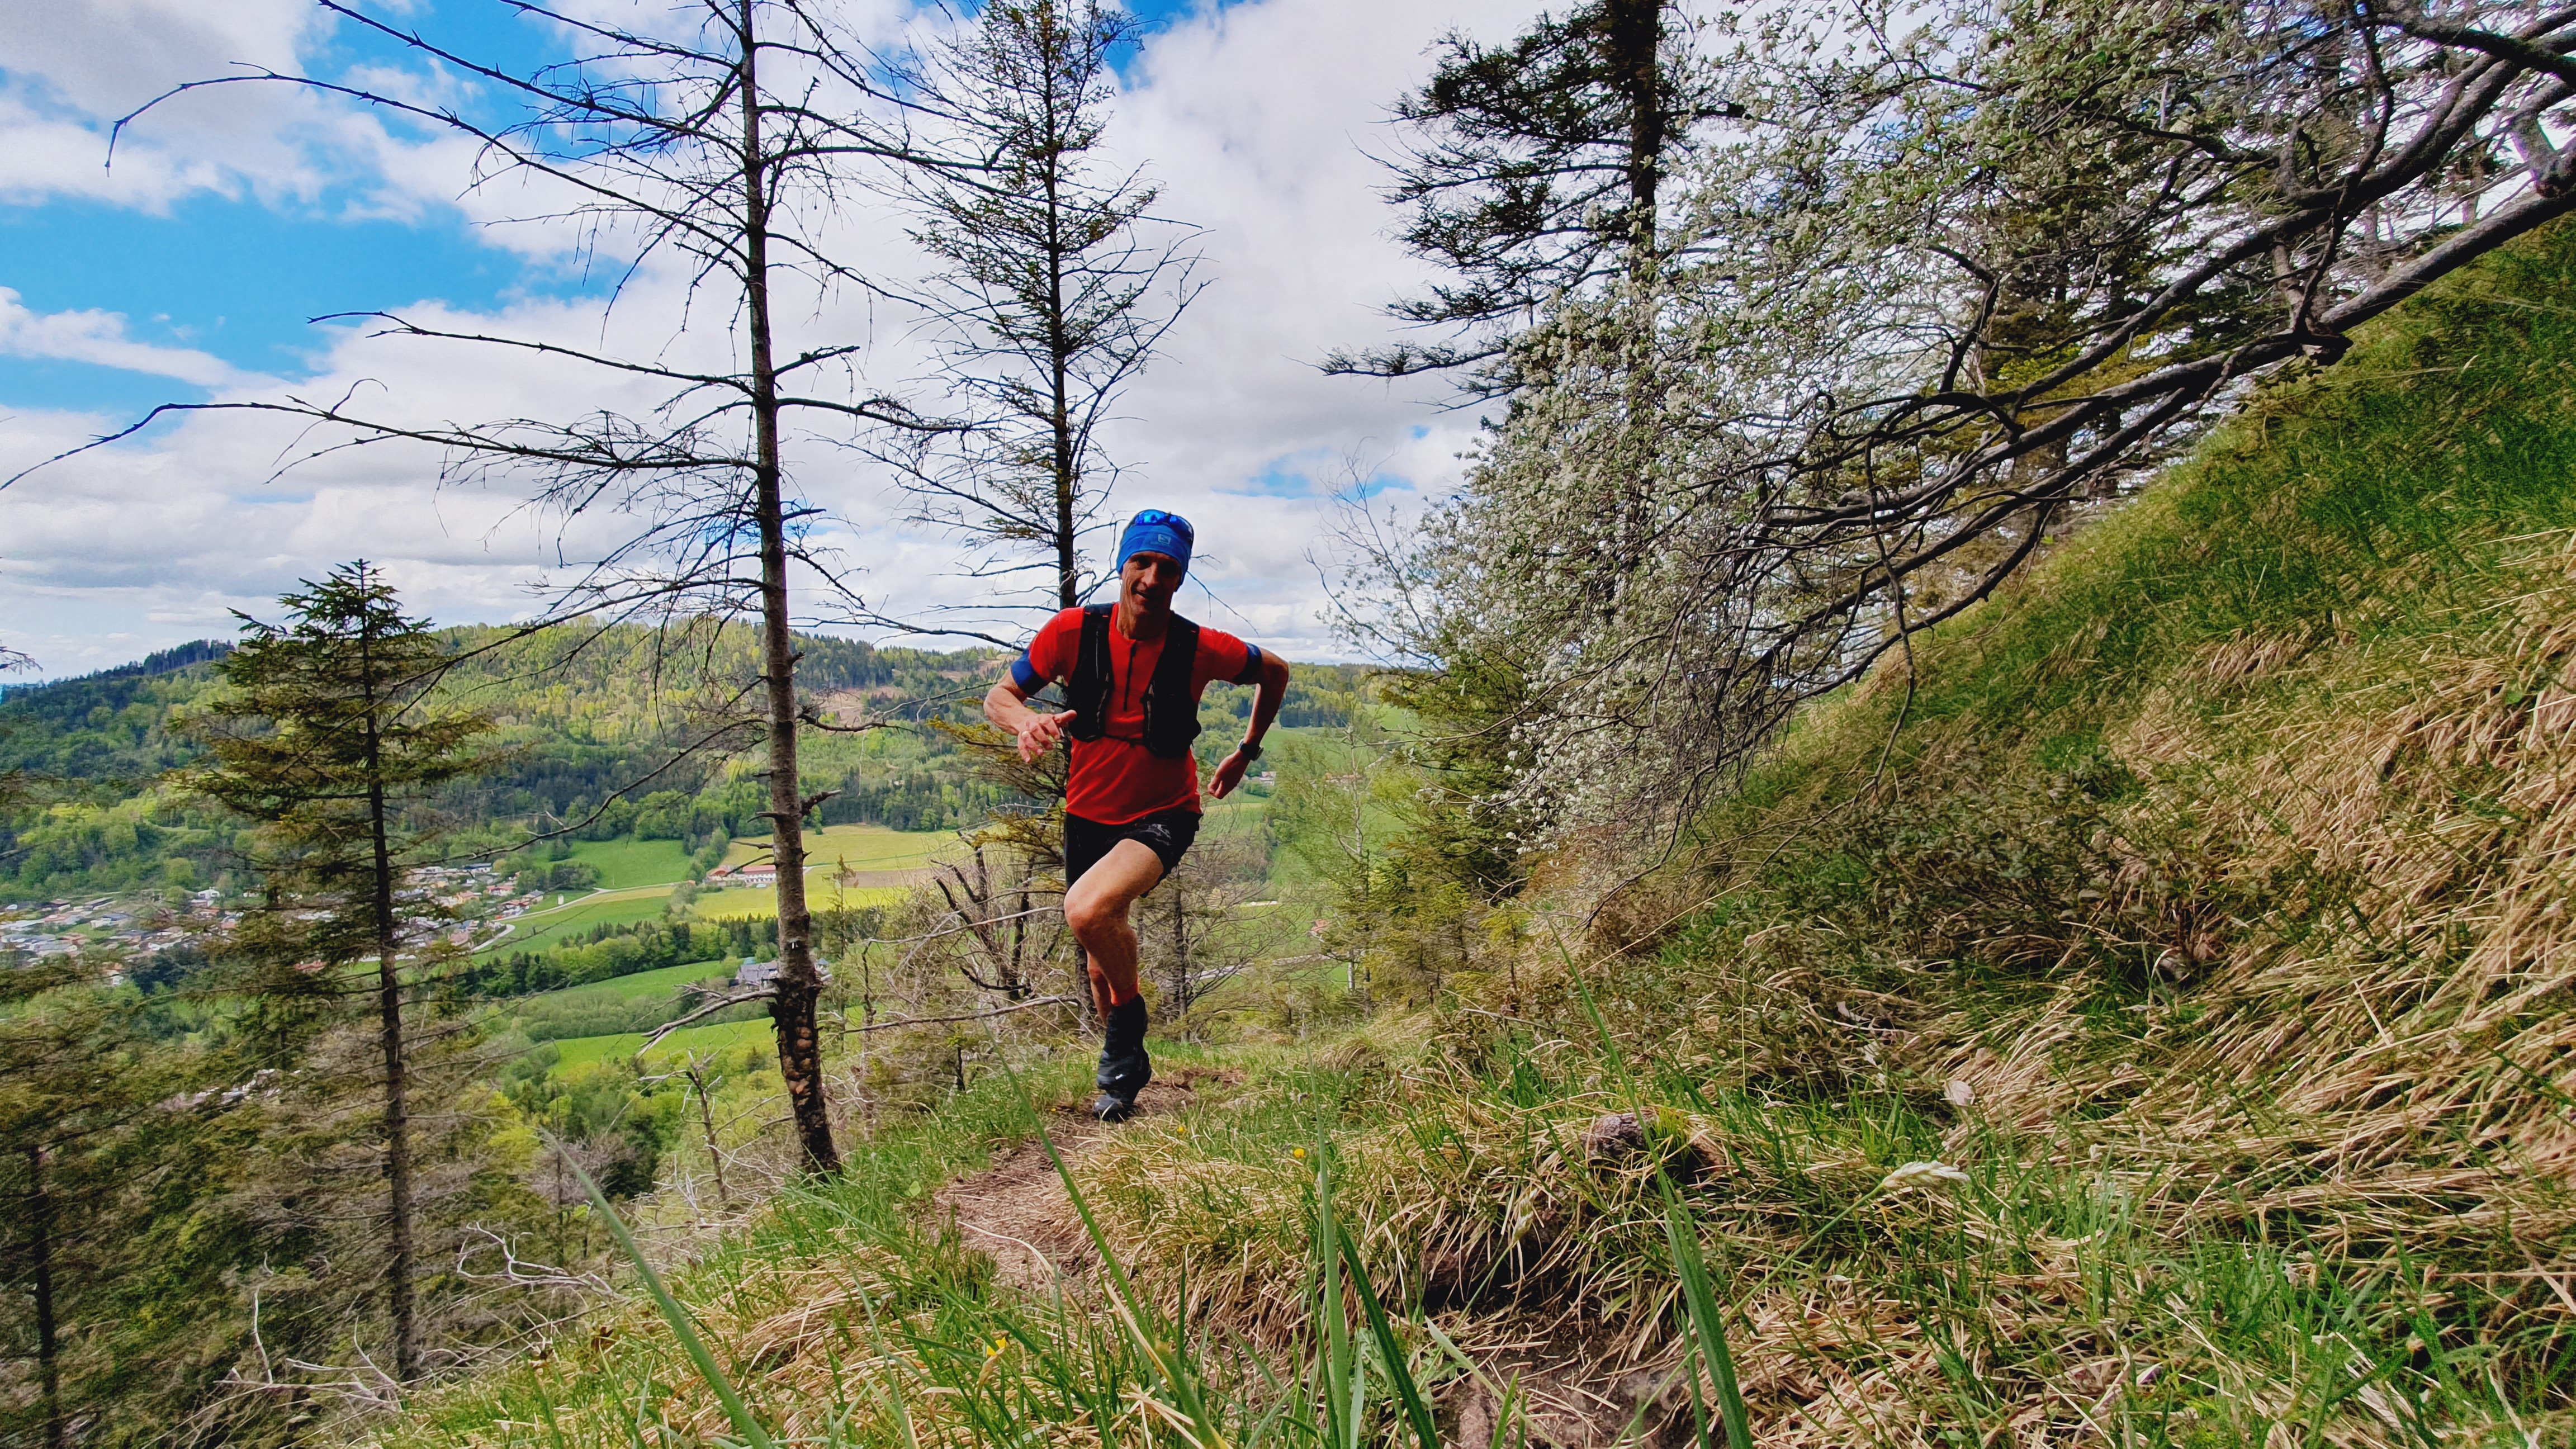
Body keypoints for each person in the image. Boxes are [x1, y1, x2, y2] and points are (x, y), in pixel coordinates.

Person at [984, 509, 1291, 1120]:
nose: (1152, 578)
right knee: (1101, 965)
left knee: (1087, 910)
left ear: (1180, 581)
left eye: (1167, 569)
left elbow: (1276, 671)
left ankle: (1127, 1032)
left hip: (1164, 812)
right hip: (1089, 817)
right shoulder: (1073, 632)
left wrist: (1247, 751)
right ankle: (1123, 1084)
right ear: (1123, 567)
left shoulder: (1200, 648)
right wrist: (1027, 722)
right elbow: (1000, 696)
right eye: (1141, 564)